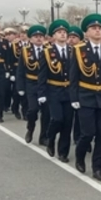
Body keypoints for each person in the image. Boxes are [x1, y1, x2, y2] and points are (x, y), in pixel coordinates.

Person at [70, 14, 101, 181]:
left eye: (99, 29)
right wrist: (74, 97)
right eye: (93, 28)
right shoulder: (78, 50)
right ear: (87, 32)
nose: (97, 31)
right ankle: (80, 155)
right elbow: (73, 76)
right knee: (87, 133)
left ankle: (98, 168)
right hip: (86, 96)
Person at [38, 20, 74, 162]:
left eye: (65, 32)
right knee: (57, 119)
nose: (63, 34)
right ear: (53, 36)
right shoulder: (47, 52)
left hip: (69, 91)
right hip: (53, 90)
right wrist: (41, 93)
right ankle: (51, 137)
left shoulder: (73, 51)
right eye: (59, 32)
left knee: (68, 123)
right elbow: (42, 74)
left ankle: (63, 152)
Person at [16, 25, 50, 145]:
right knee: (33, 110)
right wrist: (20, 87)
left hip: (46, 85)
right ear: (31, 39)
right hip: (31, 83)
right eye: (36, 37)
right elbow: (20, 70)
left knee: (46, 112)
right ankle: (30, 129)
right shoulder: (25, 51)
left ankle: (43, 136)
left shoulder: (49, 50)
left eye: (41, 36)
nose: (39, 39)